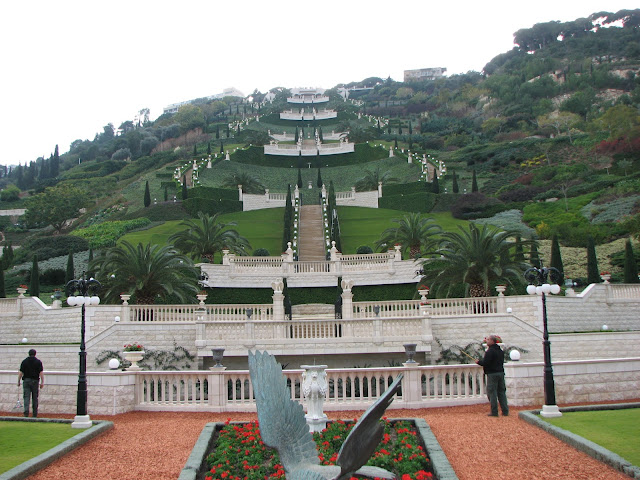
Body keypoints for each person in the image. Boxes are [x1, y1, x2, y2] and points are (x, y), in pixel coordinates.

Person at [476, 335, 509, 417]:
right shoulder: (500, 351)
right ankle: (505, 411)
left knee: (492, 393)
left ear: (492, 341)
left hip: (492, 374)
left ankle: (494, 412)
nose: (486, 341)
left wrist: (479, 362)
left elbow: (486, 362)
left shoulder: (490, 352)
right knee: (501, 392)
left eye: (488, 340)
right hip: (501, 373)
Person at [18, 349, 44, 418]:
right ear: (35, 354)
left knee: (26, 396)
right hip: (35, 381)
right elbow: (41, 372)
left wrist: (18, 381)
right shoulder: (38, 362)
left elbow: (21, 372)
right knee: (35, 397)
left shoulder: (24, 362)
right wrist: (42, 382)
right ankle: (34, 413)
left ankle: (26, 411)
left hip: (26, 380)